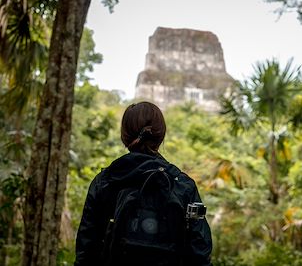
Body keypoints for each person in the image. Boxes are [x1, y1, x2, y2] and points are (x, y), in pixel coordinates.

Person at [74, 102, 213, 266]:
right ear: (161, 136)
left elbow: (86, 250)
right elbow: (200, 252)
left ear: (124, 136)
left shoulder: (105, 182)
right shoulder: (182, 185)